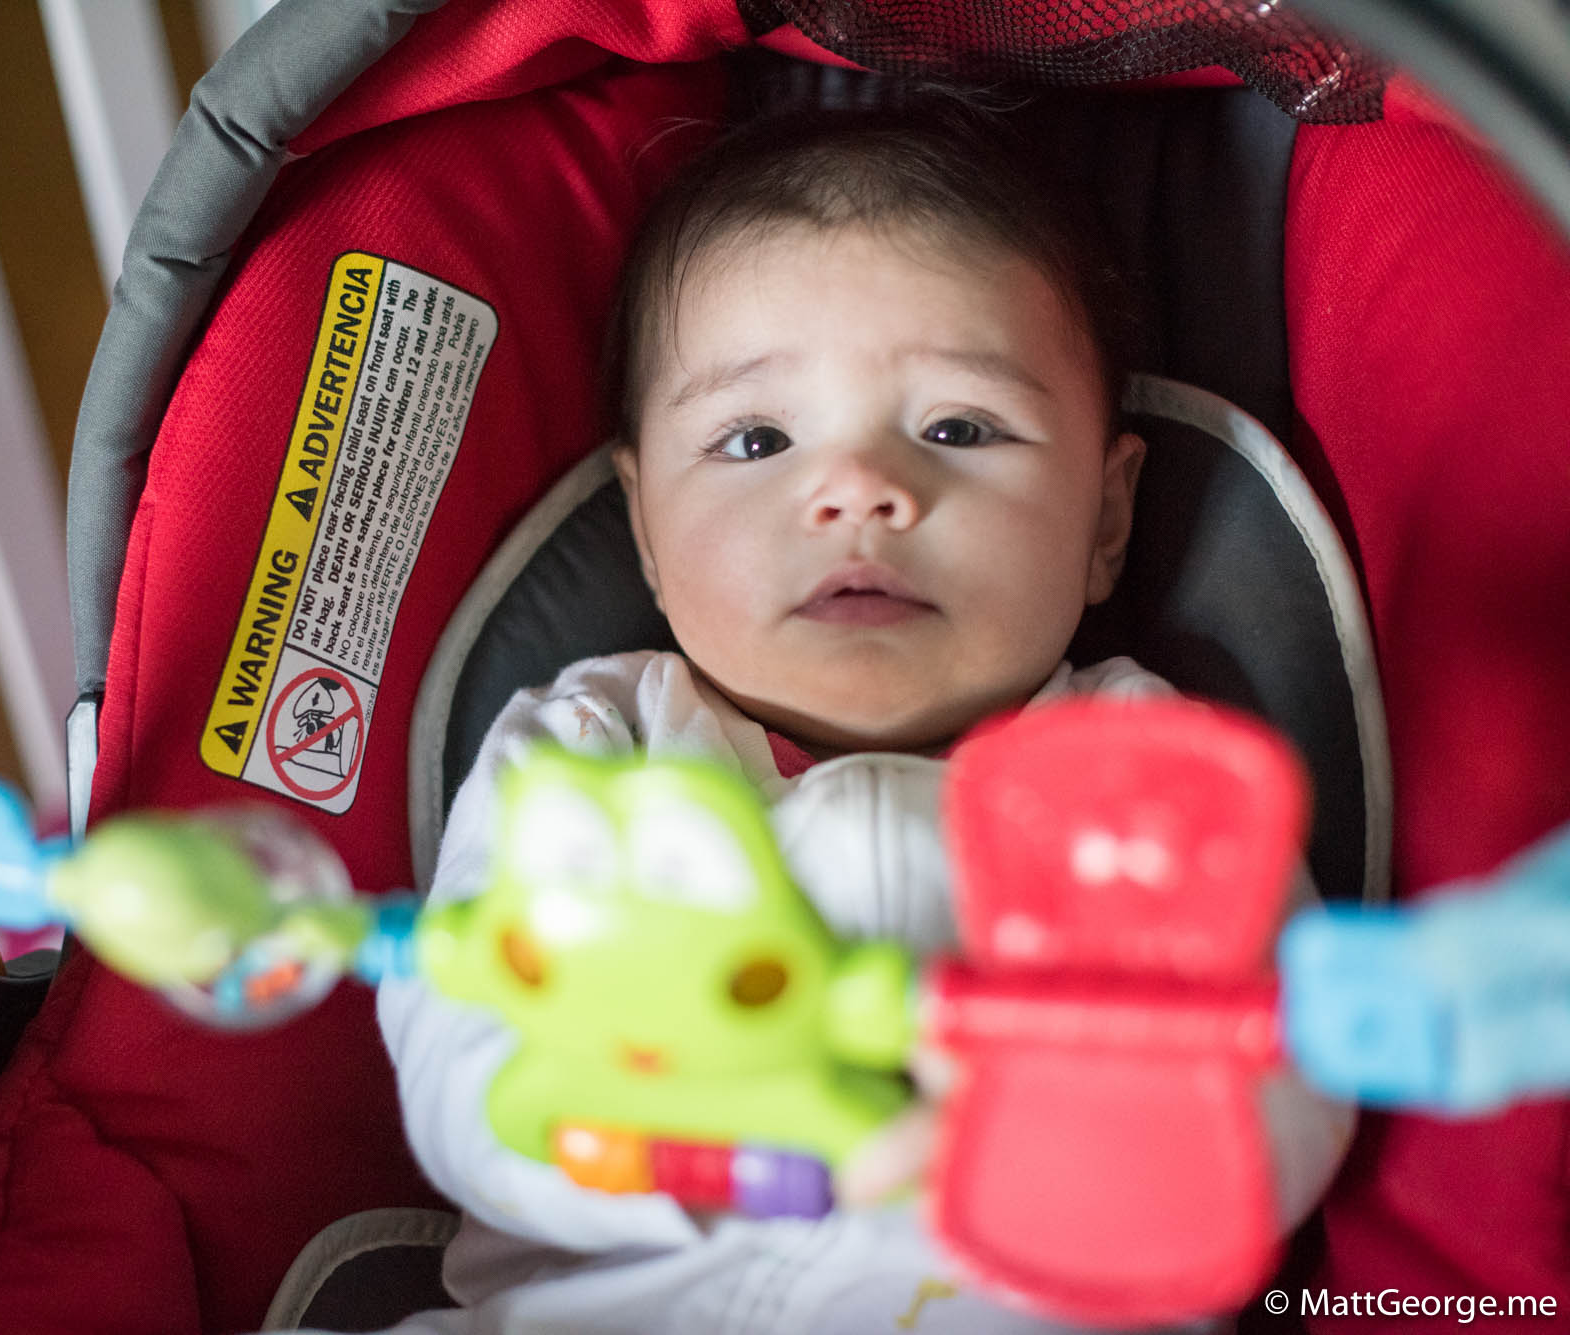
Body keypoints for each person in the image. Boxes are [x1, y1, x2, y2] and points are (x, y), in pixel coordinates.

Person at [343, 106, 1353, 1333]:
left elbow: (1289, 1075)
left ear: (1103, 519)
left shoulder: (1140, 776)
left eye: (955, 428)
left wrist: (1066, 1146)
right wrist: (681, 1126)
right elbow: (462, 1041)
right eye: (756, 438)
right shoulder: (588, 752)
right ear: (646, 529)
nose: (858, 489)